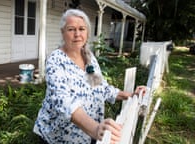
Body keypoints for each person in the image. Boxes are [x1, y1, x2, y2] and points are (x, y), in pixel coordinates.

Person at [33, 9, 146, 144]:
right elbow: (63, 101)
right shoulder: (55, 60)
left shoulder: (89, 57)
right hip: (60, 137)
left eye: (82, 29)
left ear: (87, 32)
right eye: (71, 29)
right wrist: (95, 128)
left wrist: (130, 95)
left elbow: (100, 87)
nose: (77, 34)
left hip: (88, 135)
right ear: (63, 33)